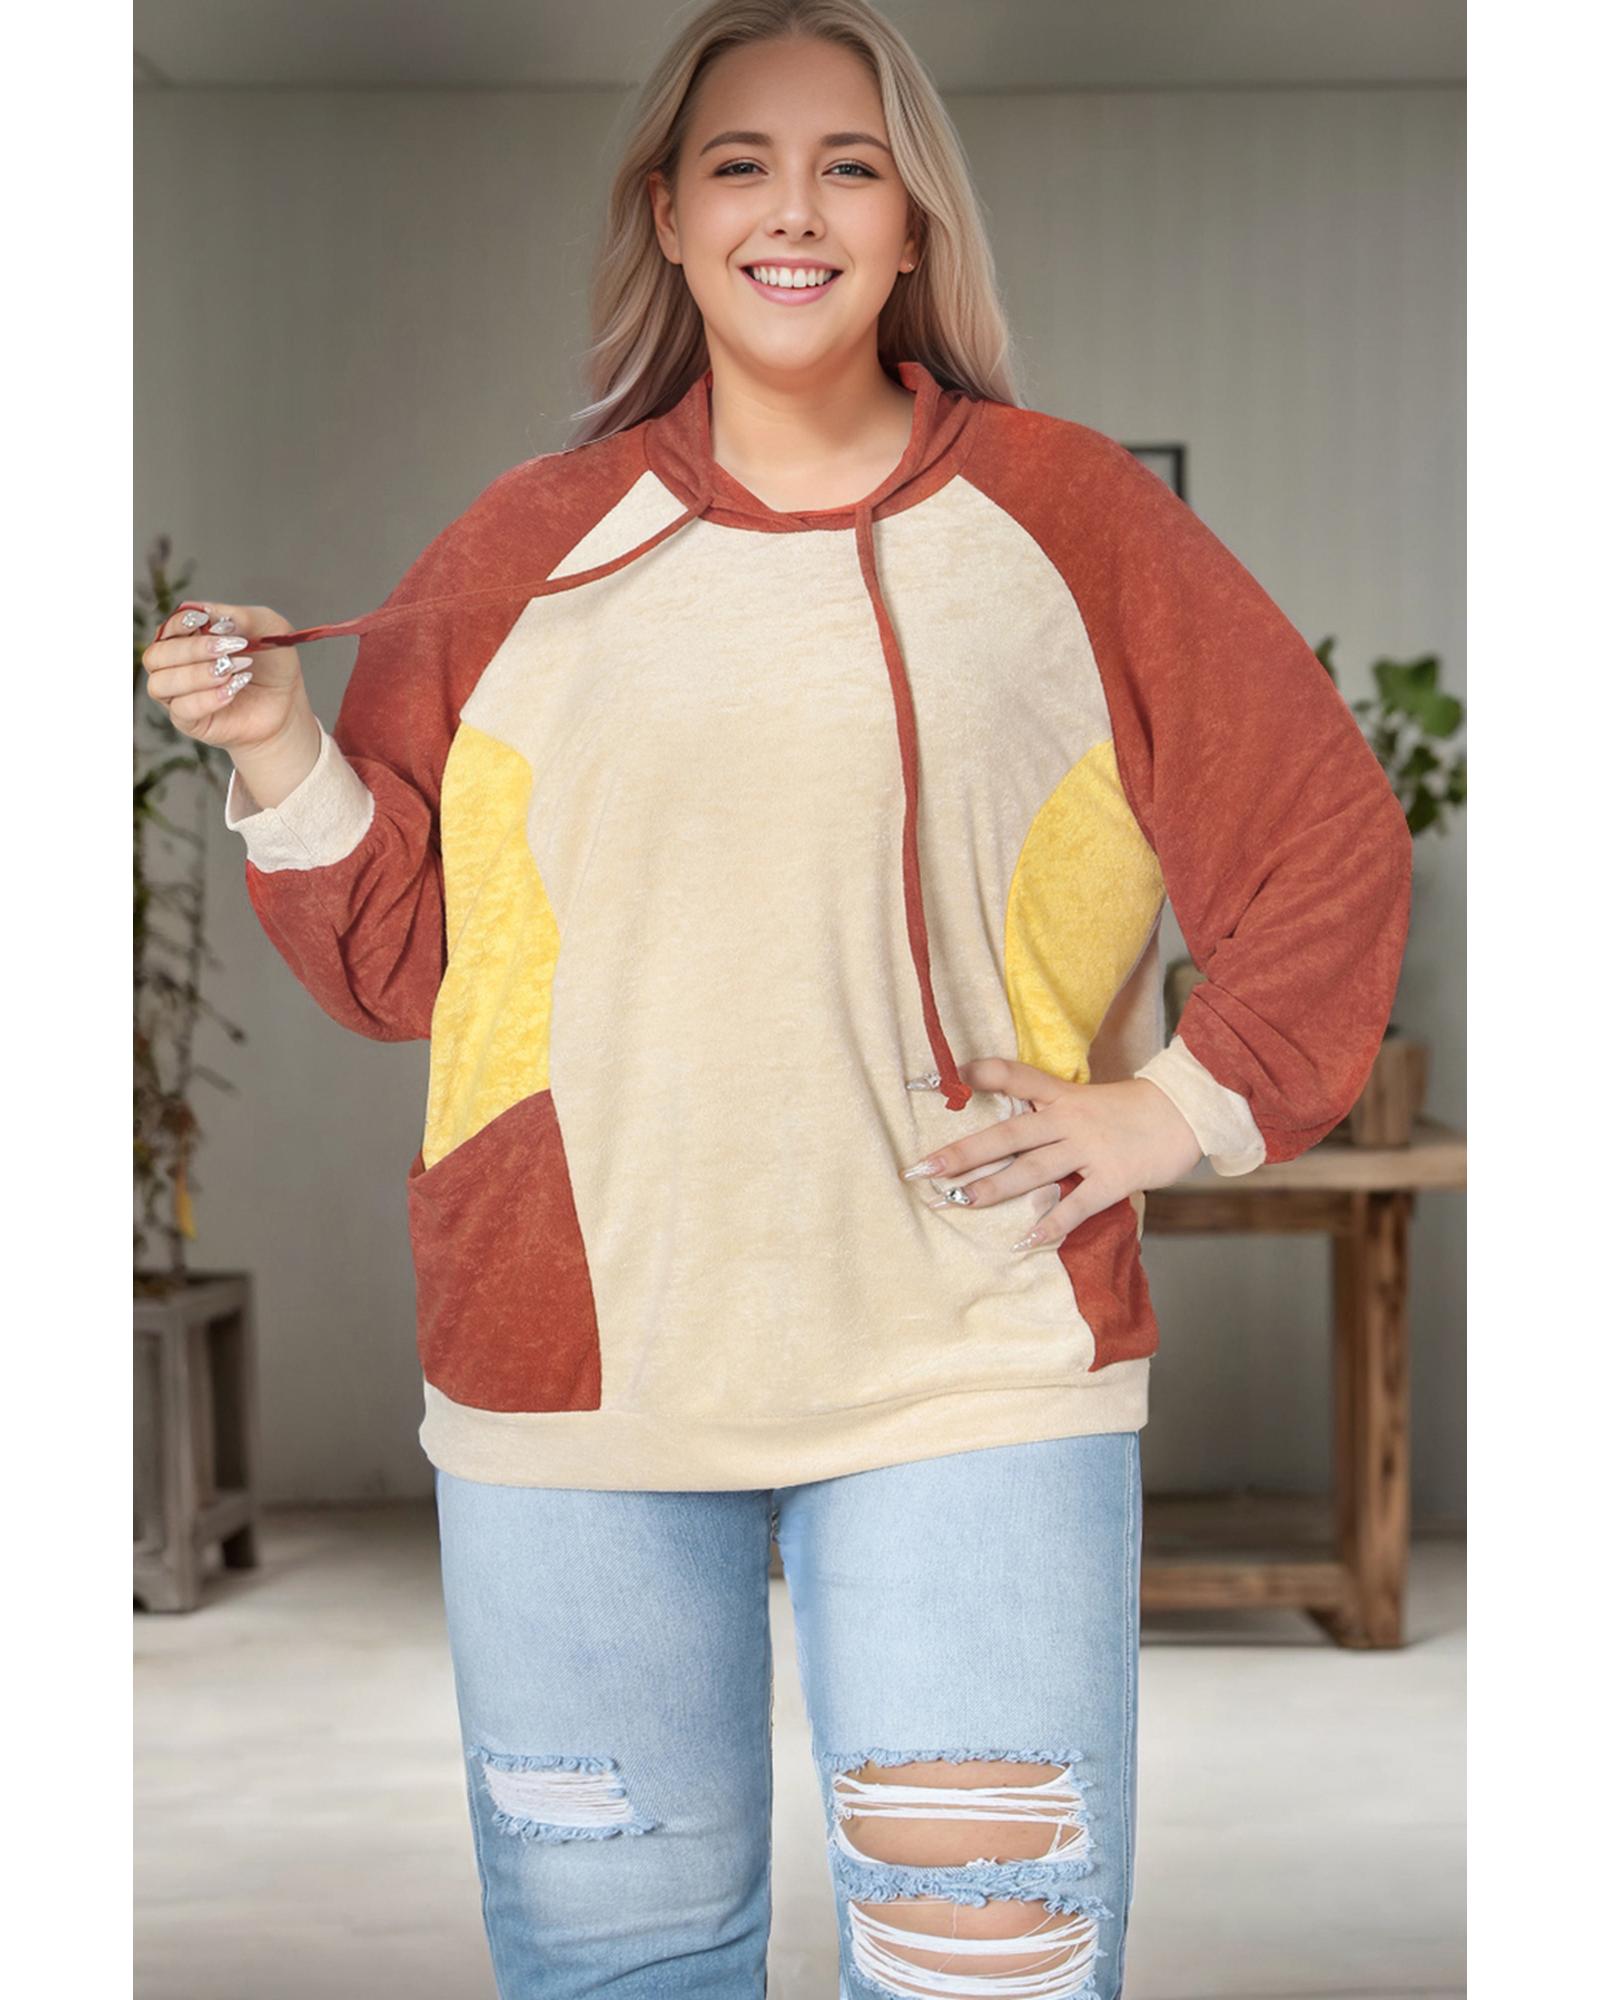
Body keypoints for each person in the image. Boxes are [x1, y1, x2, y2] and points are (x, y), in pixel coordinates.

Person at [139, 3, 1412, 1994]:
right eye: (741, 164)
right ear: (668, 214)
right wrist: (282, 745)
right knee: (618, 1972)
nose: (793, 210)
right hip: (571, 1366)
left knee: (982, 1971)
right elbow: (398, 968)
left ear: (911, 224)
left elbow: (1324, 842)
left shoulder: (1076, 519)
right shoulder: (528, 541)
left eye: (850, 165)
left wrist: (1164, 1110)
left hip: (971, 1363)